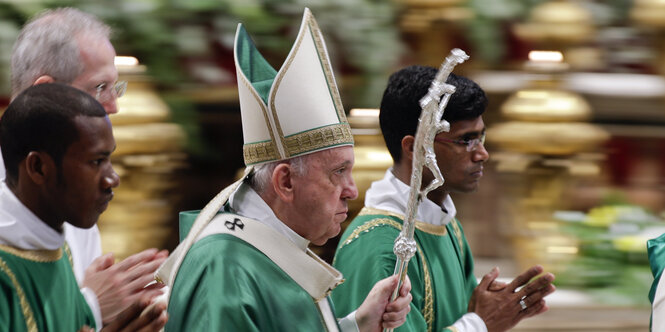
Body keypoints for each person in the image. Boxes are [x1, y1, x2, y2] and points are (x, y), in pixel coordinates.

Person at [156, 8, 411, 331]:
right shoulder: (225, 267)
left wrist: (358, 324)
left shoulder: (273, 246)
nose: (352, 190)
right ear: (286, 182)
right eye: (338, 172)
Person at [331, 66, 556, 332]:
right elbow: (478, 323)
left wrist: (495, 307)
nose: (482, 154)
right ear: (415, 148)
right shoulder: (379, 248)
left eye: (481, 136)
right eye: (466, 140)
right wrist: (481, 323)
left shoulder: (447, 226)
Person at [7, 7, 167, 327]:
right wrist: (89, 305)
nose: (114, 106)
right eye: (100, 88)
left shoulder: (73, 194)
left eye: (115, 87)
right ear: (44, 91)